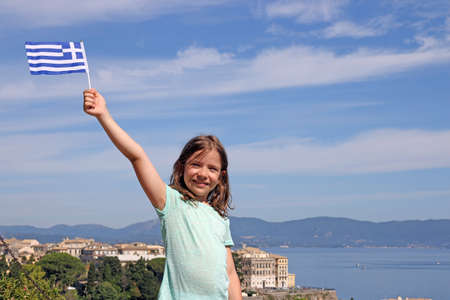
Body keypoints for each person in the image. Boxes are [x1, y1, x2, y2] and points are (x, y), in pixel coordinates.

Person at [83, 89, 242, 300]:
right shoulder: (171, 203)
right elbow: (136, 156)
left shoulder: (220, 219)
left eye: (212, 169)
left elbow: (230, 273)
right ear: (181, 166)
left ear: (221, 176)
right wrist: (104, 115)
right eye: (196, 164)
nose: (203, 174)